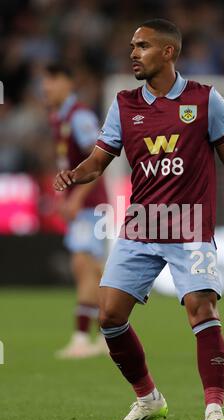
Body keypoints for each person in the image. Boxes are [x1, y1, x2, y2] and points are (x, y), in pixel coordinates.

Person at [54, 19, 224, 420]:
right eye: (132, 45)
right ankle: (149, 399)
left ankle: (214, 411)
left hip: (190, 229)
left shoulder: (206, 101)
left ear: (168, 52)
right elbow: (99, 160)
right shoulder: (124, 104)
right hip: (140, 226)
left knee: (201, 309)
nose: (133, 53)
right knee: (110, 316)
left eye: (143, 46)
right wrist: (74, 174)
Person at [42, 63, 109, 358]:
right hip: (85, 204)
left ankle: (82, 338)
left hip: (91, 204)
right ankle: (111, 335)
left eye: (52, 80)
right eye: (44, 81)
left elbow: (97, 160)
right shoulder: (60, 116)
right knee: (93, 269)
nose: (46, 87)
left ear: (68, 82)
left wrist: (77, 198)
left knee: (83, 266)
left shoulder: (79, 115)